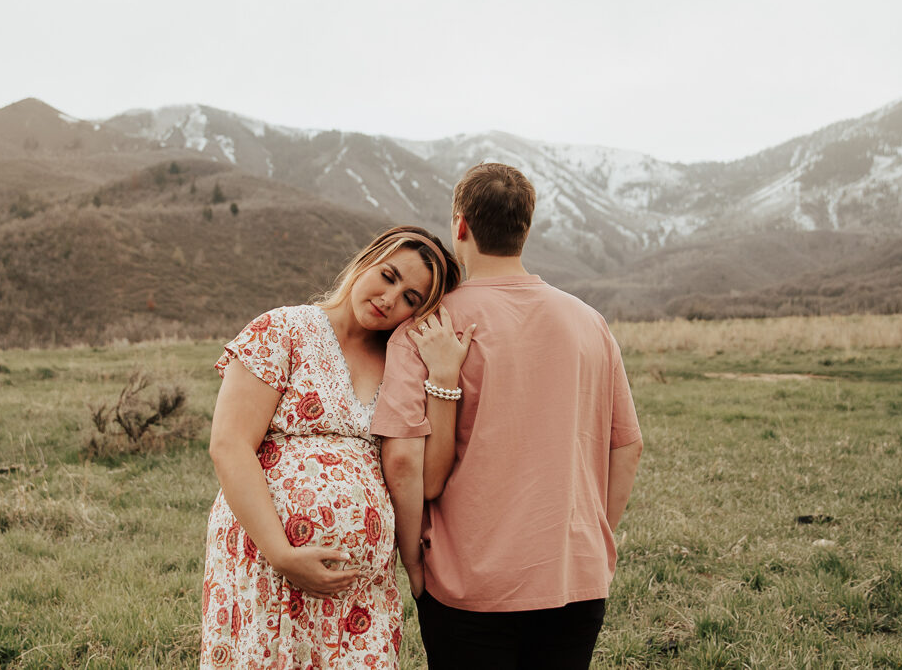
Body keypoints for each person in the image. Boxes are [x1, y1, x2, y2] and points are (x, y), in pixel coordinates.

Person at [371, 163, 644, 669]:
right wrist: (588, 541)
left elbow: (406, 461)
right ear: (526, 228)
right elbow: (627, 446)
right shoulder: (590, 323)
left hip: (469, 586)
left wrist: (411, 561)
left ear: (460, 226)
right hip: (574, 579)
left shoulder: (429, 327)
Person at [200, 226, 463, 669]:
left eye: (411, 299)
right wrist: (283, 555)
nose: (389, 298)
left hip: (359, 588)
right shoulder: (283, 328)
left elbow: (429, 477)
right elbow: (229, 445)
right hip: (266, 561)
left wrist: (443, 377)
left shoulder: (401, 361)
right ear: (367, 260)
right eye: (389, 275)